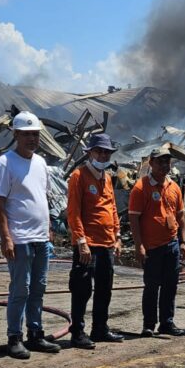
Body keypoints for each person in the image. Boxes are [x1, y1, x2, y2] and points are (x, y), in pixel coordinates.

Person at [0, 111, 61, 360]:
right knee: (21, 289)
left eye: (35, 134)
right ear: (16, 134)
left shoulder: (40, 163)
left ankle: (36, 333)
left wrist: (48, 227)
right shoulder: (5, 163)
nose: (32, 139)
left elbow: (43, 198)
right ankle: (14, 337)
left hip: (41, 238)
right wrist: (6, 238)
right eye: (27, 134)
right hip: (19, 239)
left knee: (39, 288)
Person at [66, 132, 124, 349]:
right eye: (98, 151)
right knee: (82, 289)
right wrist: (81, 241)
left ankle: (100, 328)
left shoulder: (107, 178)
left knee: (104, 288)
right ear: (89, 152)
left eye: (106, 152)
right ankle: (78, 332)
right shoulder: (78, 176)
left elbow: (113, 208)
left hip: (107, 243)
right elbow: (74, 212)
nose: (102, 155)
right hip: (87, 245)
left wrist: (117, 237)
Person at [128, 146, 185, 337]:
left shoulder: (174, 187)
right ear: (151, 163)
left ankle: (167, 323)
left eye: (167, 161)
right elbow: (134, 219)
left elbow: (181, 216)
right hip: (152, 247)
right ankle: (149, 324)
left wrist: (183, 242)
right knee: (152, 286)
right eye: (160, 161)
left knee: (170, 285)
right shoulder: (141, 187)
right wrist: (139, 246)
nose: (164, 165)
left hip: (171, 244)